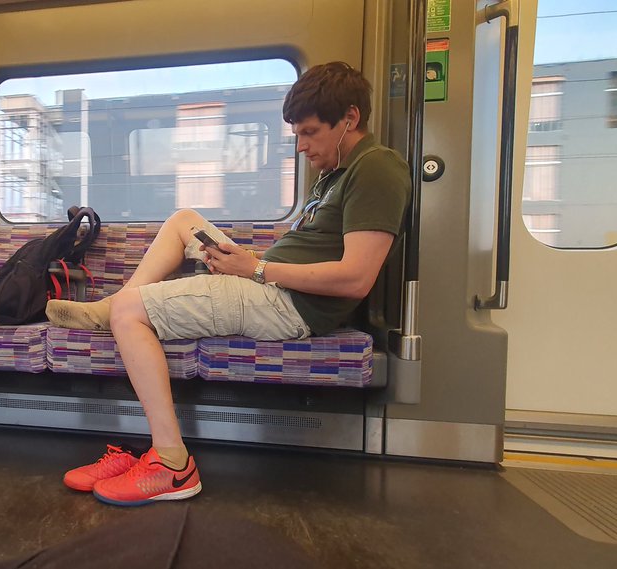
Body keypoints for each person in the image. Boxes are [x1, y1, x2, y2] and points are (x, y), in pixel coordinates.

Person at [45, 62, 411, 507]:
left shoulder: (377, 168)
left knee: (131, 313)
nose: (301, 147)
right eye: (297, 135)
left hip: (286, 304)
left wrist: (254, 269)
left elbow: (356, 278)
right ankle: (108, 308)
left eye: (310, 133)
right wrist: (248, 262)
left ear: (350, 119)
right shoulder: (334, 173)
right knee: (184, 221)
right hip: (268, 282)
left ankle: (172, 464)